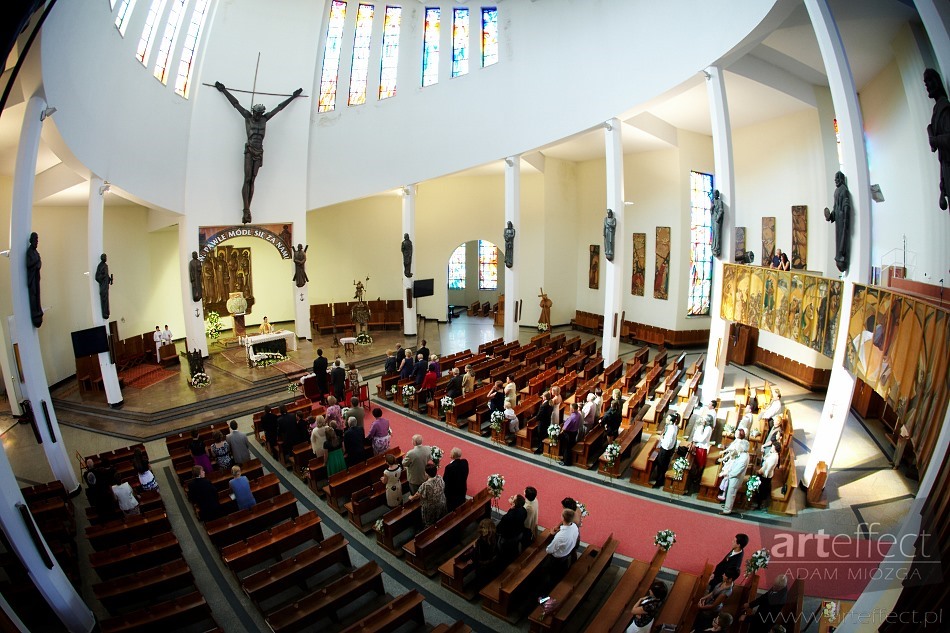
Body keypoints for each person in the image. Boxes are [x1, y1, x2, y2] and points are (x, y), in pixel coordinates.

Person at [214, 81, 303, 223]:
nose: (257, 115)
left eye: (259, 114)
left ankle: (249, 209)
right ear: (253, 111)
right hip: (249, 150)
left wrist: (293, 97)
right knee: (247, 179)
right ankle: (246, 210)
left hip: (259, 150)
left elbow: (279, 108)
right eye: (256, 113)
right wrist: (223, 90)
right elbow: (235, 104)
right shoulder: (248, 117)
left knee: (253, 180)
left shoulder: (264, 119)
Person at [924, 68, 950, 211]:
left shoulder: (944, 106)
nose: (927, 85)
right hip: (946, 167)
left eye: (929, 81)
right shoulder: (937, 109)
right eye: (925, 82)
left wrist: (935, 140)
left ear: (937, 82)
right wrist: (942, 185)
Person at [823, 170, 852, 272]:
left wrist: (845, 218)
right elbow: (835, 207)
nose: (836, 181)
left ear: (841, 179)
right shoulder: (836, 191)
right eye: (835, 179)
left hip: (843, 220)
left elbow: (846, 205)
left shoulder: (844, 190)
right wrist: (830, 216)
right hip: (839, 220)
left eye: (837, 179)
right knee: (838, 240)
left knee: (842, 241)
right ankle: (839, 257)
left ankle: (841, 258)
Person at [544, 508, 579, 585]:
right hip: (566, 554)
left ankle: (550, 585)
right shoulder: (575, 527)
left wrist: (552, 535)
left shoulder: (560, 536)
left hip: (556, 558)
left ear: (563, 518)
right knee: (560, 571)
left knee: (551, 573)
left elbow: (549, 550)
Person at [410, 462, 446, 526]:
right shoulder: (440, 478)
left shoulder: (426, 485)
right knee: (440, 519)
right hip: (441, 503)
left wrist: (411, 497)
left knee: (429, 523)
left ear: (426, 473)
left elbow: (418, 495)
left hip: (430, 508)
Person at [652, 413, 680, 488]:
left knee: (661, 465)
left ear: (671, 421)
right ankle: (659, 478)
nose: (666, 419)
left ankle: (659, 481)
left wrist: (662, 439)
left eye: (667, 419)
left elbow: (667, 443)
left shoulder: (671, 430)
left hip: (665, 449)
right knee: (662, 464)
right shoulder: (674, 427)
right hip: (667, 449)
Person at [721, 441, 749, 515]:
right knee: (729, 492)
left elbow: (738, 469)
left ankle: (727, 510)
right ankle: (727, 506)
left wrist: (730, 474)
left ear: (743, 447)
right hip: (733, 476)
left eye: (739, 446)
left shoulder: (744, 457)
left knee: (731, 493)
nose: (738, 447)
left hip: (735, 477)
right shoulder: (742, 454)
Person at [497, 495, 528, 561]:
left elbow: (501, 528)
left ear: (513, 504)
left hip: (508, 537)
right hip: (518, 533)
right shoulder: (524, 510)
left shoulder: (508, 517)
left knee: (504, 549)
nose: (511, 496)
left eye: (513, 497)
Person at [756, 441, 781, 511]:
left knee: (762, 490)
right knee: (764, 489)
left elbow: (767, 467)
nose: (771, 448)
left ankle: (760, 504)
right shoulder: (774, 454)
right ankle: (761, 502)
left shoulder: (774, 457)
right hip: (767, 474)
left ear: (775, 448)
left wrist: (760, 471)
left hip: (765, 475)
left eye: (772, 447)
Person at [474, 518, 500, 584]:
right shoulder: (496, 536)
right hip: (493, 562)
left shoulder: (481, 542)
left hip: (483, 565)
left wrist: (475, 548)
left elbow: (479, 556)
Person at [26, 232, 43, 327]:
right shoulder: (30, 252)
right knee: (34, 294)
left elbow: (39, 263)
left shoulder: (36, 252)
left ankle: (38, 310)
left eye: (37, 240)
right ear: (31, 241)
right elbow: (29, 264)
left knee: (38, 294)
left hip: (36, 277)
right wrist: (36, 262)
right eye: (35, 240)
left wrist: (38, 263)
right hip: (32, 278)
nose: (37, 242)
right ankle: (36, 312)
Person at [95, 253, 113, 319]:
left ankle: (107, 312)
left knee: (106, 299)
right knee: (104, 299)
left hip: (106, 286)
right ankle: (105, 313)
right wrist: (102, 276)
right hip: (103, 286)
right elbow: (97, 277)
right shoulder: (100, 266)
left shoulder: (106, 266)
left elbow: (106, 275)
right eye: (104, 257)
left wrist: (109, 279)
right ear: (102, 258)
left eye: (106, 257)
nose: (106, 258)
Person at [710, 190, 724, 258]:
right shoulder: (713, 201)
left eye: (716, 193)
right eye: (714, 193)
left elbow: (721, 210)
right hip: (713, 218)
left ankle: (717, 247)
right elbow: (711, 210)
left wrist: (718, 218)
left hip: (717, 220)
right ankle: (713, 246)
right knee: (714, 233)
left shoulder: (719, 202)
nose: (715, 195)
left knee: (717, 234)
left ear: (718, 194)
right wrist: (711, 208)